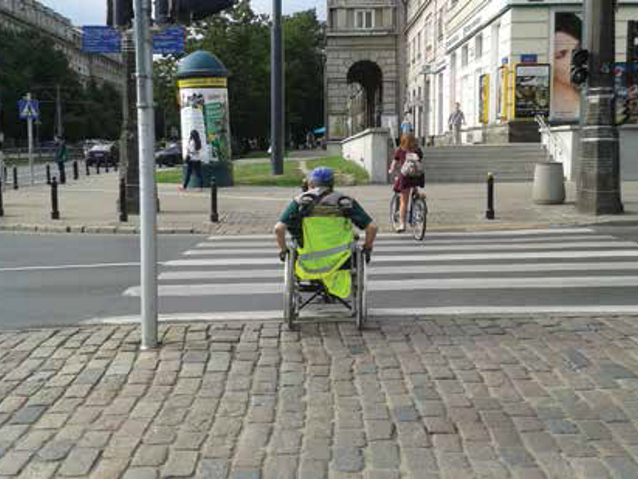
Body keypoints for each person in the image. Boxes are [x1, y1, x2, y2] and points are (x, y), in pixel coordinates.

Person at [275, 167, 378, 298]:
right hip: (341, 261)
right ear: (332, 183)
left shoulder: (300, 202)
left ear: (311, 183)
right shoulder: (345, 202)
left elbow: (278, 229)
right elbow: (372, 228)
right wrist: (367, 248)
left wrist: (284, 250)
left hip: (307, 261)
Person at [388, 132, 424, 233]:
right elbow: (420, 161)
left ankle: (402, 224)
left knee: (404, 201)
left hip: (406, 177)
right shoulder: (418, 150)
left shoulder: (400, 150)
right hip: (418, 176)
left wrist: (391, 170)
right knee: (415, 189)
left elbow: (394, 163)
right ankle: (419, 206)